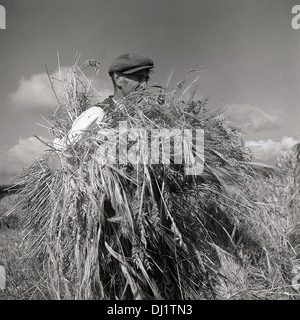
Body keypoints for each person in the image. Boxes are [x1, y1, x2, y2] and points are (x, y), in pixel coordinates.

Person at [47, 53, 155, 172]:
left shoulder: (143, 119)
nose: (144, 85)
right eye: (139, 78)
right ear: (118, 80)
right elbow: (58, 155)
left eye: (146, 79)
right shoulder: (98, 114)